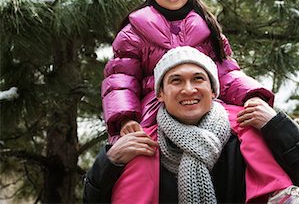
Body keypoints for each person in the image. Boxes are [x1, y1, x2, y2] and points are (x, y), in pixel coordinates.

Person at [101, 0, 295, 202]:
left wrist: (251, 95)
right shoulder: (134, 30)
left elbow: (226, 70)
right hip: (155, 107)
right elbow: (120, 81)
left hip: (208, 104)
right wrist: (125, 119)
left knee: (247, 127)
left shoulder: (205, 24)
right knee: (144, 150)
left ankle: (274, 191)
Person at [85, 47, 299, 204]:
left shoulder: (248, 128)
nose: (189, 89)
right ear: (160, 94)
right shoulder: (141, 145)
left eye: (198, 79)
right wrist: (109, 161)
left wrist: (277, 125)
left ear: (214, 91)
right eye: (176, 81)